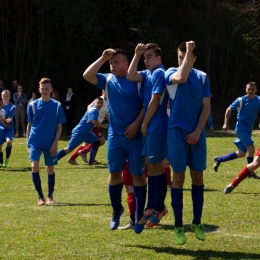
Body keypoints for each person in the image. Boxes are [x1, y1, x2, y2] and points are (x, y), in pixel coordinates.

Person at [83, 48, 146, 234]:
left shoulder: (137, 79)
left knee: (137, 176)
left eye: (116, 61)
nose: (113, 65)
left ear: (127, 64)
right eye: (112, 62)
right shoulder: (108, 80)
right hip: (115, 136)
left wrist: (136, 124)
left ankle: (139, 214)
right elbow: (87, 75)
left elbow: (147, 104)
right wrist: (103, 57)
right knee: (115, 174)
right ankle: (117, 208)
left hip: (135, 136)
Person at [165, 41, 211, 245]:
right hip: (177, 133)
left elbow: (206, 107)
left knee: (197, 176)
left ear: (195, 57)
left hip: (197, 133)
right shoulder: (170, 73)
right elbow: (181, 76)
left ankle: (197, 222)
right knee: (178, 177)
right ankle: (177, 225)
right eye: (180, 55)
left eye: (187, 55)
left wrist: (198, 131)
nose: (182, 58)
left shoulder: (202, 77)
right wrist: (188, 53)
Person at [127, 43, 168, 228]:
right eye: (145, 57)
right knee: (150, 167)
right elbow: (130, 75)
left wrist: (144, 123)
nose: (146, 60)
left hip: (157, 126)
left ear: (159, 58)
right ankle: (151, 207)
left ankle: (159, 207)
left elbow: (155, 99)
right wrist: (137, 54)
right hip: (149, 128)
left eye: (150, 56)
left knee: (157, 167)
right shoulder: (148, 73)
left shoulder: (159, 73)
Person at [27, 78, 66, 206]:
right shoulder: (32, 105)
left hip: (50, 143)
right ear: (39, 90)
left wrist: (55, 143)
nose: (44, 91)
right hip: (35, 142)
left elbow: (59, 126)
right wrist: (28, 143)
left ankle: (50, 196)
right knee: (34, 166)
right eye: (42, 89)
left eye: (47, 89)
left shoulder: (57, 105)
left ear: (51, 90)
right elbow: (29, 125)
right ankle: (40, 197)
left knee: (50, 169)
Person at [213, 82, 260, 179]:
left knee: (241, 153)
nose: (250, 91)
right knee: (251, 148)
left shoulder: (258, 100)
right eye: (249, 89)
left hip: (249, 128)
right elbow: (229, 109)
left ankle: (219, 159)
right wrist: (225, 123)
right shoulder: (240, 100)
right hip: (241, 128)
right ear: (245, 90)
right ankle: (250, 173)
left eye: (252, 89)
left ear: (256, 90)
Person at [57, 97, 108, 165]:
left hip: (87, 133)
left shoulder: (93, 108)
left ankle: (91, 161)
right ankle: (52, 160)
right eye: (98, 103)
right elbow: (94, 121)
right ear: (94, 103)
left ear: (103, 105)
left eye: (101, 103)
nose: (99, 104)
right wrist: (103, 126)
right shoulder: (94, 110)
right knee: (69, 149)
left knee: (97, 141)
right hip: (80, 132)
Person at [0, 90, 16, 167]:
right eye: (4, 96)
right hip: (1, 129)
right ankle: (1, 161)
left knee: (9, 142)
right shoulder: (0, 106)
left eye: (7, 96)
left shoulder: (12, 106)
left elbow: (10, 117)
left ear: (9, 97)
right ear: (1, 97)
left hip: (9, 128)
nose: (5, 97)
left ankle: (6, 159)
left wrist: (8, 120)